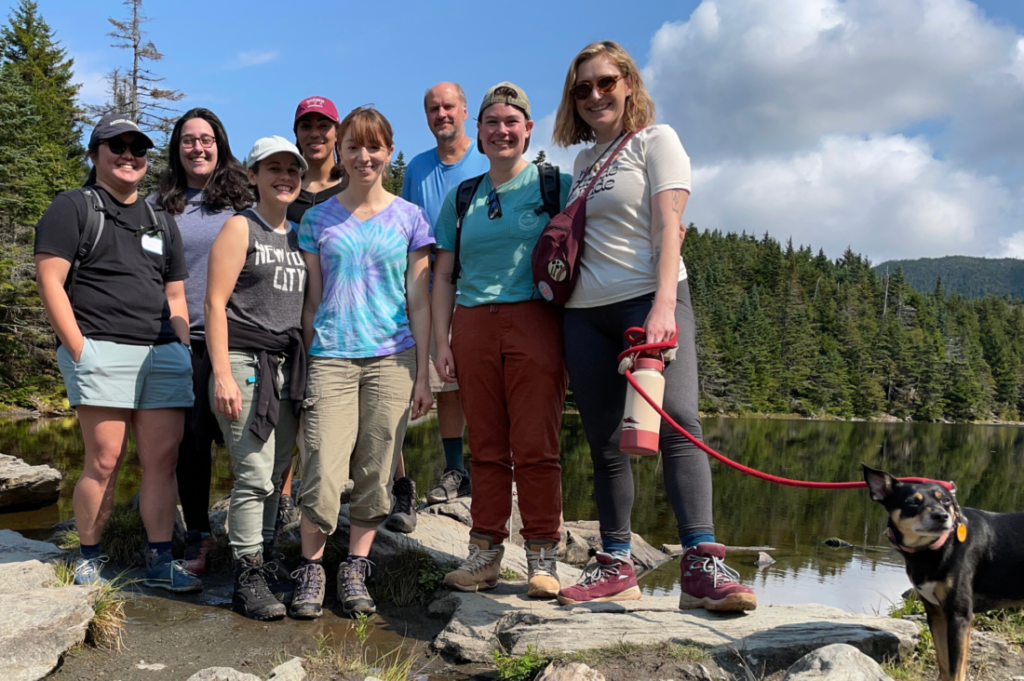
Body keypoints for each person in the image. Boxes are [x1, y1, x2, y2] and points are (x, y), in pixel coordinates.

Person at [550, 41, 757, 611]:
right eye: (582, 88)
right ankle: (615, 563)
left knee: (678, 424)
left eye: (605, 82)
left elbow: (671, 228)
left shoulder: (657, 141)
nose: (595, 95)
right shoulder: (583, 162)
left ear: (629, 84)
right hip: (585, 315)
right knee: (606, 440)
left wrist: (664, 306)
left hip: (651, 301)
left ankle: (702, 567)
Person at [34, 113, 201, 593]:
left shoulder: (159, 219)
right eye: (117, 146)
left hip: (163, 353)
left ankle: (160, 559)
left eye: (138, 148)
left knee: (162, 461)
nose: (129, 155)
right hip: (100, 348)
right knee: (104, 460)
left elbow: (174, 295)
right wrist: (79, 349)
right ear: (95, 154)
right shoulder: (73, 207)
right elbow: (51, 282)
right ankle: (88, 557)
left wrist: (182, 343)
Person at [291, 107, 433, 619]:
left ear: (388, 153)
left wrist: (424, 372)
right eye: (354, 146)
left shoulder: (411, 219)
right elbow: (312, 301)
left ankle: (355, 567)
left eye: (373, 147)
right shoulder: (316, 219)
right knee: (323, 468)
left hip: (392, 358)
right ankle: (311, 568)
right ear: (340, 152)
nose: (364, 156)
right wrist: (307, 361)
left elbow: (419, 300)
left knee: (375, 469)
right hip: (331, 357)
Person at [432, 83, 571, 599]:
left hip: (536, 321)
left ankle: (542, 556)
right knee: (487, 447)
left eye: (511, 121)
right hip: (472, 323)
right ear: (480, 131)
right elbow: (443, 273)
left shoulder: (555, 185)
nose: (501, 130)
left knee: (536, 445)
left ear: (528, 129)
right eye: (491, 122)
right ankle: (484, 552)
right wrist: (441, 342)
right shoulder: (463, 196)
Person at [201, 135, 308, 621]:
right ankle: (247, 574)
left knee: (278, 469)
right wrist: (221, 372)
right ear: (253, 176)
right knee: (254, 474)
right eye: (273, 169)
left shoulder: (299, 234)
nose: (284, 177)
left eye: (292, 170)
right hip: (245, 364)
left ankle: (263, 560)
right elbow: (214, 304)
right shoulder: (240, 227)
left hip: (287, 367)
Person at [387, 82, 490, 534]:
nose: (441, 113)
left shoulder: (487, 157)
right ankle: (455, 470)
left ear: (465, 110)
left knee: (481, 382)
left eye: (449, 106)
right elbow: (409, 228)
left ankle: (489, 468)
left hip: (483, 286)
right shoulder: (419, 168)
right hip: (431, 291)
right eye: (433, 108)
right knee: (445, 383)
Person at [153, 108, 252, 577]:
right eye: (189, 140)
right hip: (183, 338)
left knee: (249, 438)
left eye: (207, 139)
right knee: (192, 444)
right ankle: (198, 531)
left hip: (240, 339)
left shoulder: (243, 203)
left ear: (220, 145)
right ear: (177, 148)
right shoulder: (158, 205)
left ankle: (261, 535)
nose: (198, 147)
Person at [274, 95, 347, 534]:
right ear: (297, 134)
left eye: (324, 126)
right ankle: (284, 496)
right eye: (307, 126)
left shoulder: (351, 188)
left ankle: (395, 488)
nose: (316, 134)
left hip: (343, 316)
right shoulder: (285, 190)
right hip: (287, 313)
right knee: (292, 406)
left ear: (336, 133)